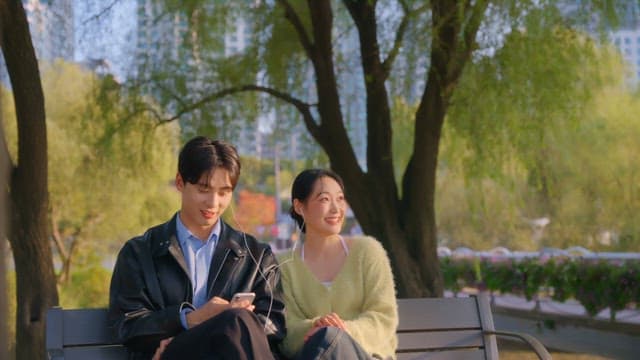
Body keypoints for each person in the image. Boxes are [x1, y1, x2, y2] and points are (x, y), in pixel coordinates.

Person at [108, 136, 285, 359]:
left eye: (224, 192)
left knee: (237, 321)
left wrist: (227, 324)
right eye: (204, 189)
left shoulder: (257, 257)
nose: (213, 203)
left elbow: (274, 326)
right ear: (180, 183)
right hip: (170, 355)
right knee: (236, 320)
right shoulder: (139, 253)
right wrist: (190, 319)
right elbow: (127, 325)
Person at [277, 169, 398, 360]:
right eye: (325, 199)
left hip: (366, 356)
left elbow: (383, 317)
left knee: (331, 338)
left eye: (340, 199)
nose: (336, 209)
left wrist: (341, 331)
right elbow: (286, 330)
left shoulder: (367, 252)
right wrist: (317, 327)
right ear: (299, 207)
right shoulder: (284, 265)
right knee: (327, 339)